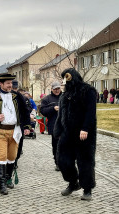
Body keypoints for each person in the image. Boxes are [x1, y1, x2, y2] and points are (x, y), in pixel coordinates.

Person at [0, 74, 31, 195]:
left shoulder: (17, 96)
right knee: (2, 156)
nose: (10, 85)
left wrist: (26, 126)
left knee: (12, 156)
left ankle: (8, 177)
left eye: (11, 83)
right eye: (8, 83)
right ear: (1, 84)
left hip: (14, 130)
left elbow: (25, 111)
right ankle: (2, 184)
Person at [54, 68, 97, 201]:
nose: (64, 83)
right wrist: (58, 130)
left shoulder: (88, 91)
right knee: (62, 160)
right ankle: (73, 183)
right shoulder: (64, 95)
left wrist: (85, 128)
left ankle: (87, 189)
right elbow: (61, 114)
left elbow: (91, 112)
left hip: (83, 134)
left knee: (85, 162)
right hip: (67, 133)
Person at [40, 82, 62, 171]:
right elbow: (43, 111)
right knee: (56, 145)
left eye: (58, 88)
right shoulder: (47, 99)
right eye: (55, 89)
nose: (57, 90)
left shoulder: (65, 97)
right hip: (54, 125)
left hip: (65, 125)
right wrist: (53, 109)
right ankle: (58, 163)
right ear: (52, 89)